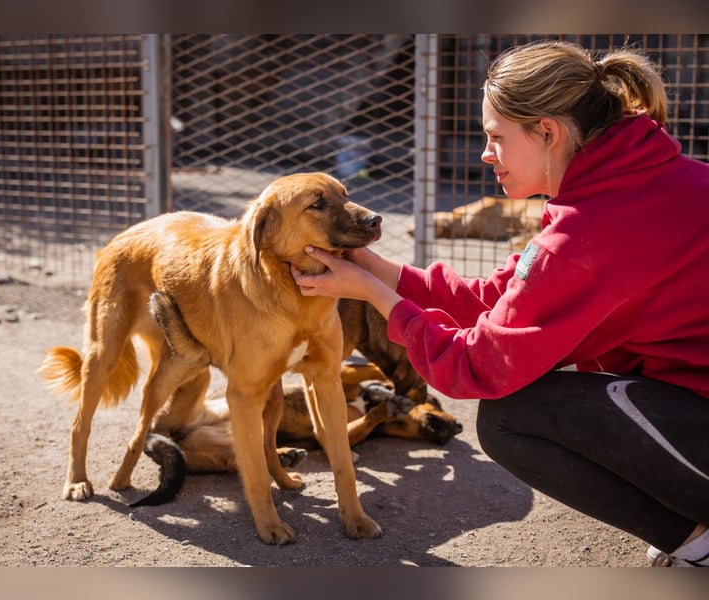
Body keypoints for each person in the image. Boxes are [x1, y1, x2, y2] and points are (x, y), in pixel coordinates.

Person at [291, 40, 709, 567]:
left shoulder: (593, 230)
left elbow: (480, 367)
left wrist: (375, 297)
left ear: (548, 132)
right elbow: (501, 301)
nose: (486, 154)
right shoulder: (629, 182)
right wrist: (376, 268)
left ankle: (699, 542)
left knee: (510, 417)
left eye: (495, 138)